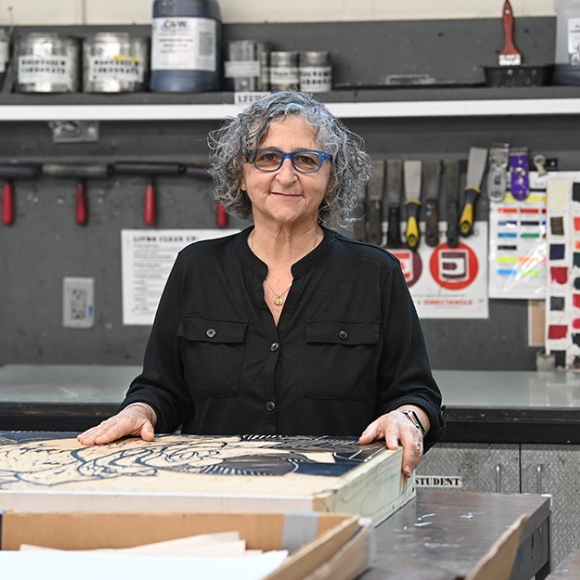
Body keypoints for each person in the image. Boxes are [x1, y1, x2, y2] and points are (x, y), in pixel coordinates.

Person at [78, 90, 445, 478]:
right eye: (268, 158)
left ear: (332, 176)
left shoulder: (374, 272)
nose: (286, 176)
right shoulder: (197, 268)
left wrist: (408, 418)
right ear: (240, 172)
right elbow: (163, 389)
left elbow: (416, 394)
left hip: (338, 494)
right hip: (216, 495)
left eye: (306, 160)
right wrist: (139, 411)